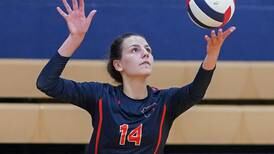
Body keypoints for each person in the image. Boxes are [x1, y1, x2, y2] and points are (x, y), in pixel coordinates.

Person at [36, 0, 236, 153]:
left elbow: (196, 92)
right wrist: (74, 39)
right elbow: (47, 83)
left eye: (148, 49)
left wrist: (211, 55)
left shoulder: (164, 102)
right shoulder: (100, 96)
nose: (146, 53)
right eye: (135, 50)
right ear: (118, 64)